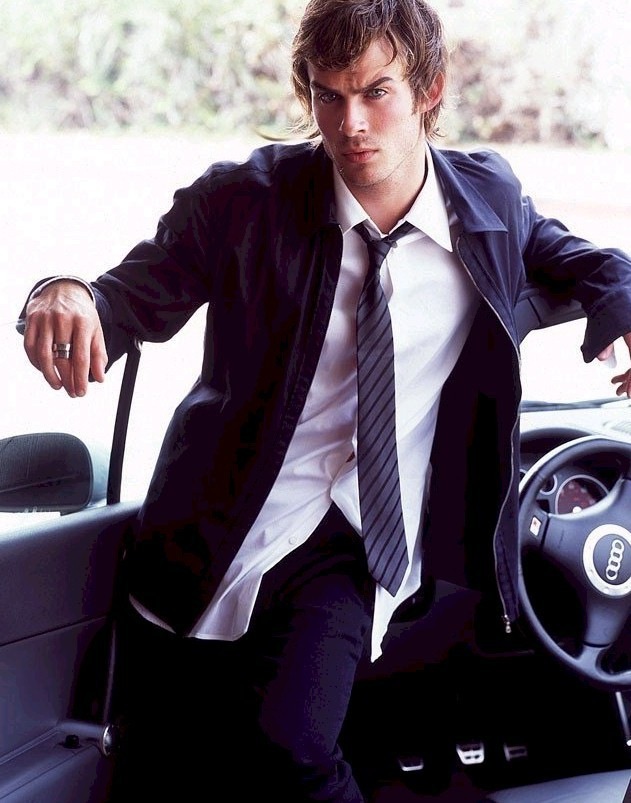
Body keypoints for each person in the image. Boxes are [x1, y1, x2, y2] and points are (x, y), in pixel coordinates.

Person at [18, 0, 631, 800]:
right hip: (218, 523)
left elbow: (585, 262)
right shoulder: (243, 201)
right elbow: (124, 297)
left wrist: (622, 308)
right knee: (159, 764)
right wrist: (62, 290)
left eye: (376, 92)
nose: (351, 125)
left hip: (356, 536)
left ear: (428, 89)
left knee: (292, 745)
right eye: (328, 95)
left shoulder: (486, 204)